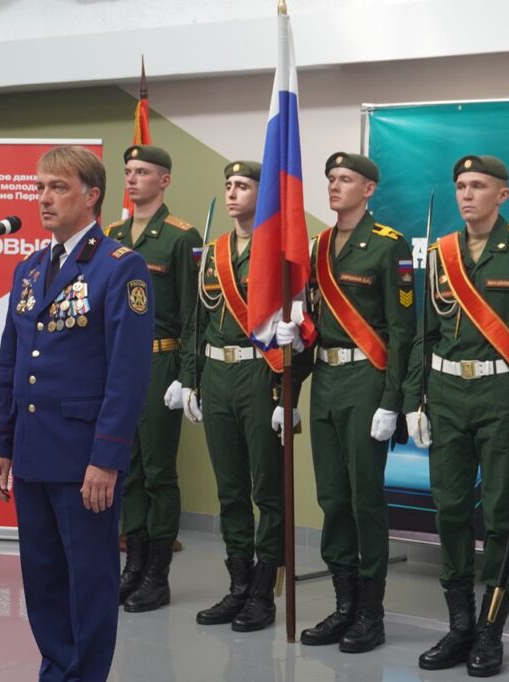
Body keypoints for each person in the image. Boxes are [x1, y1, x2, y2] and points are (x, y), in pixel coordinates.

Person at [0, 145, 154, 681]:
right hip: (33, 451)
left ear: (92, 195)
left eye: (58, 187)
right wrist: (0, 442)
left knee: (88, 582)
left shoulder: (119, 268)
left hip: (84, 458)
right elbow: (11, 363)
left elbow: (127, 376)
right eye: (39, 187)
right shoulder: (29, 269)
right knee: (43, 580)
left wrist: (107, 458)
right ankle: (56, 671)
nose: (44, 198)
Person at [403, 155, 509, 677]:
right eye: (461, 186)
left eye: (478, 186)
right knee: (448, 508)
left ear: (502, 195)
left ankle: (491, 629)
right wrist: (416, 399)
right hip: (446, 392)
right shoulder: (441, 253)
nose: (467, 195)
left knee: (501, 515)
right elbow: (425, 333)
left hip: (501, 395)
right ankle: (459, 624)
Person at [277, 152, 415, 653]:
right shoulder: (316, 247)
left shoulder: (388, 245)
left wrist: (393, 399)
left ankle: (371, 613)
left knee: (364, 499)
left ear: (369, 189)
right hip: (326, 381)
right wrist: (291, 373)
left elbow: (402, 332)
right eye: (331, 179)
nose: (335, 186)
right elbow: (313, 322)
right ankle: (344, 604)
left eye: (346, 179)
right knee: (332, 498)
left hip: (366, 380)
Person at [181, 160, 311, 633]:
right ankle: (237, 585)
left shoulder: (278, 253)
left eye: (243, 185)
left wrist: (287, 396)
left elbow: (299, 331)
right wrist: (190, 379)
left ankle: (263, 591)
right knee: (230, 489)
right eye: (229, 185)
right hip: (216, 374)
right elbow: (197, 321)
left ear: (264, 193)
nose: (233, 192)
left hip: (259, 376)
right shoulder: (212, 252)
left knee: (267, 491)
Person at [105, 144, 202, 612]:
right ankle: (134, 566)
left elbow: (192, 314)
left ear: (164, 180)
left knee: (159, 471)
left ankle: (157, 576)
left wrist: (186, 376)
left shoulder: (181, 237)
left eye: (142, 171)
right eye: (128, 171)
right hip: (119, 364)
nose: (132, 178)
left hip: (161, 363)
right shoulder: (112, 234)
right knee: (127, 469)